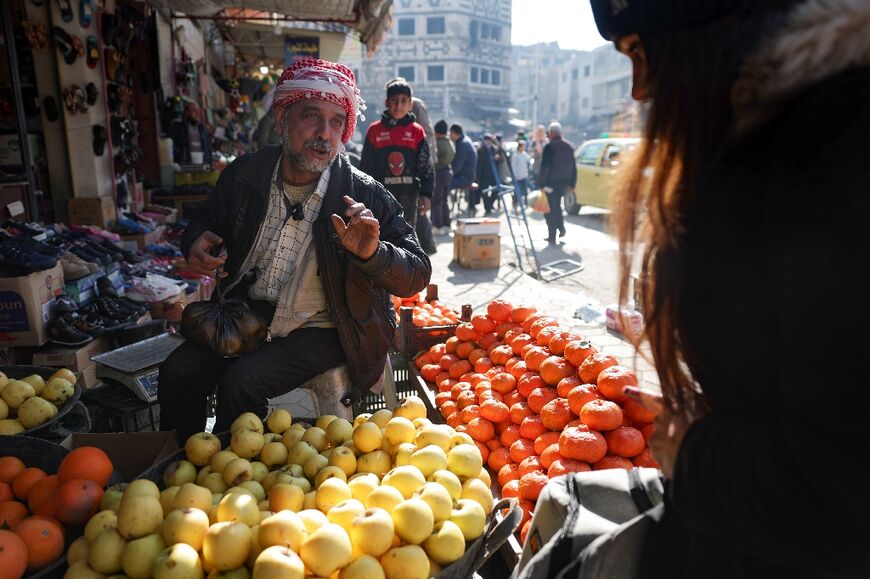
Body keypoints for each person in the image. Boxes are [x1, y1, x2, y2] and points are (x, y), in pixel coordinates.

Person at [590, 0, 870, 576]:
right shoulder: (776, 136)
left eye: (641, 53)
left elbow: (842, 488)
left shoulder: (834, 144)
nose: (640, 91)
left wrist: (692, 454)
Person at [159, 58, 431, 442]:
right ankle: (174, 466)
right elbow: (206, 220)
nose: (324, 133)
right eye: (311, 116)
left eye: (337, 122)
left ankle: (229, 477)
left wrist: (374, 255)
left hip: (327, 326)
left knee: (242, 382)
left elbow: (418, 271)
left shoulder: (364, 192)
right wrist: (196, 240)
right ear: (283, 118)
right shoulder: (245, 174)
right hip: (248, 313)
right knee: (178, 374)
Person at [360, 78, 435, 230]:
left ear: (410, 105)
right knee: (381, 236)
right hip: (380, 197)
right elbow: (365, 167)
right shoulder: (374, 131)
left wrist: (426, 194)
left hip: (409, 197)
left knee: (407, 239)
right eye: (394, 100)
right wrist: (366, 196)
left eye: (403, 101)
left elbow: (426, 166)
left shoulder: (417, 131)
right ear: (386, 102)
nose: (399, 105)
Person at [536, 121, 575, 242]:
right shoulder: (569, 146)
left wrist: (541, 184)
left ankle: (552, 234)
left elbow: (545, 167)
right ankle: (561, 228)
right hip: (564, 183)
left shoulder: (549, 147)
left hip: (550, 183)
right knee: (557, 206)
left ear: (551, 133)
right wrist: (572, 184)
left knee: (549, 209)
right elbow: (574, 167)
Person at [411, 96, 438, 254]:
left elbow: (426, 134)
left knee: (418, 206)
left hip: (419, 161)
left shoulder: (417, 105)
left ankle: (427, 245)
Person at [431, 120, 455, 235]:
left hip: (439, 173)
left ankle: (438, 226)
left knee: (436, 201)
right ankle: (447, 224)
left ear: (437, 132)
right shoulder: (449, 142)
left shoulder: (438, 144)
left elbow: (432, 160)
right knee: (444, 200)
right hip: (448, 172)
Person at [169, 101, 212, 166]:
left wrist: (210, 162)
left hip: (202, 165)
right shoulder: (178, 126)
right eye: (194, 111)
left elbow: (208, 148)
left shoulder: (202, 128)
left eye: (198, 111)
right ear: (187, 112)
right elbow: (171, 145)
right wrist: (180, 157)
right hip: (185, 165)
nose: (197, 114)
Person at [475, 133, 508, 216]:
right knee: (484, 192)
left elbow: (502, 158)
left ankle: (490, 204)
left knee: (496, 190)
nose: (487, 143)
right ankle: (487, 208)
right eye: (486, 141)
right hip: (484, 174)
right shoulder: (481, 150)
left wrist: (498, 157)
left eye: (489, 141)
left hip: (494, 174)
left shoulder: (495, 149)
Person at [449, 123, 477, 215]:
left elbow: (457, 166)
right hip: (466, 175)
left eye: (450, 133)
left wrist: (448, 173)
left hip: (464, 177)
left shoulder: (463, 144)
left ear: (454, 133)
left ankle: (442, 213)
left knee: (442, 184)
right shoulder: (465, 140)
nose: (450, 136)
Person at [510, 141, 531, 207]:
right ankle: (515, 203)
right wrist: (515, 175)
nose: (524, 148)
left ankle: (526, 203)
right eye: (523, 146)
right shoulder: (515, 155)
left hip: (524, 175)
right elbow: (513, 166)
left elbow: (529, 160)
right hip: (518, 176)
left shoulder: (524, 154)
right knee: (517, 191)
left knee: (525, 191)